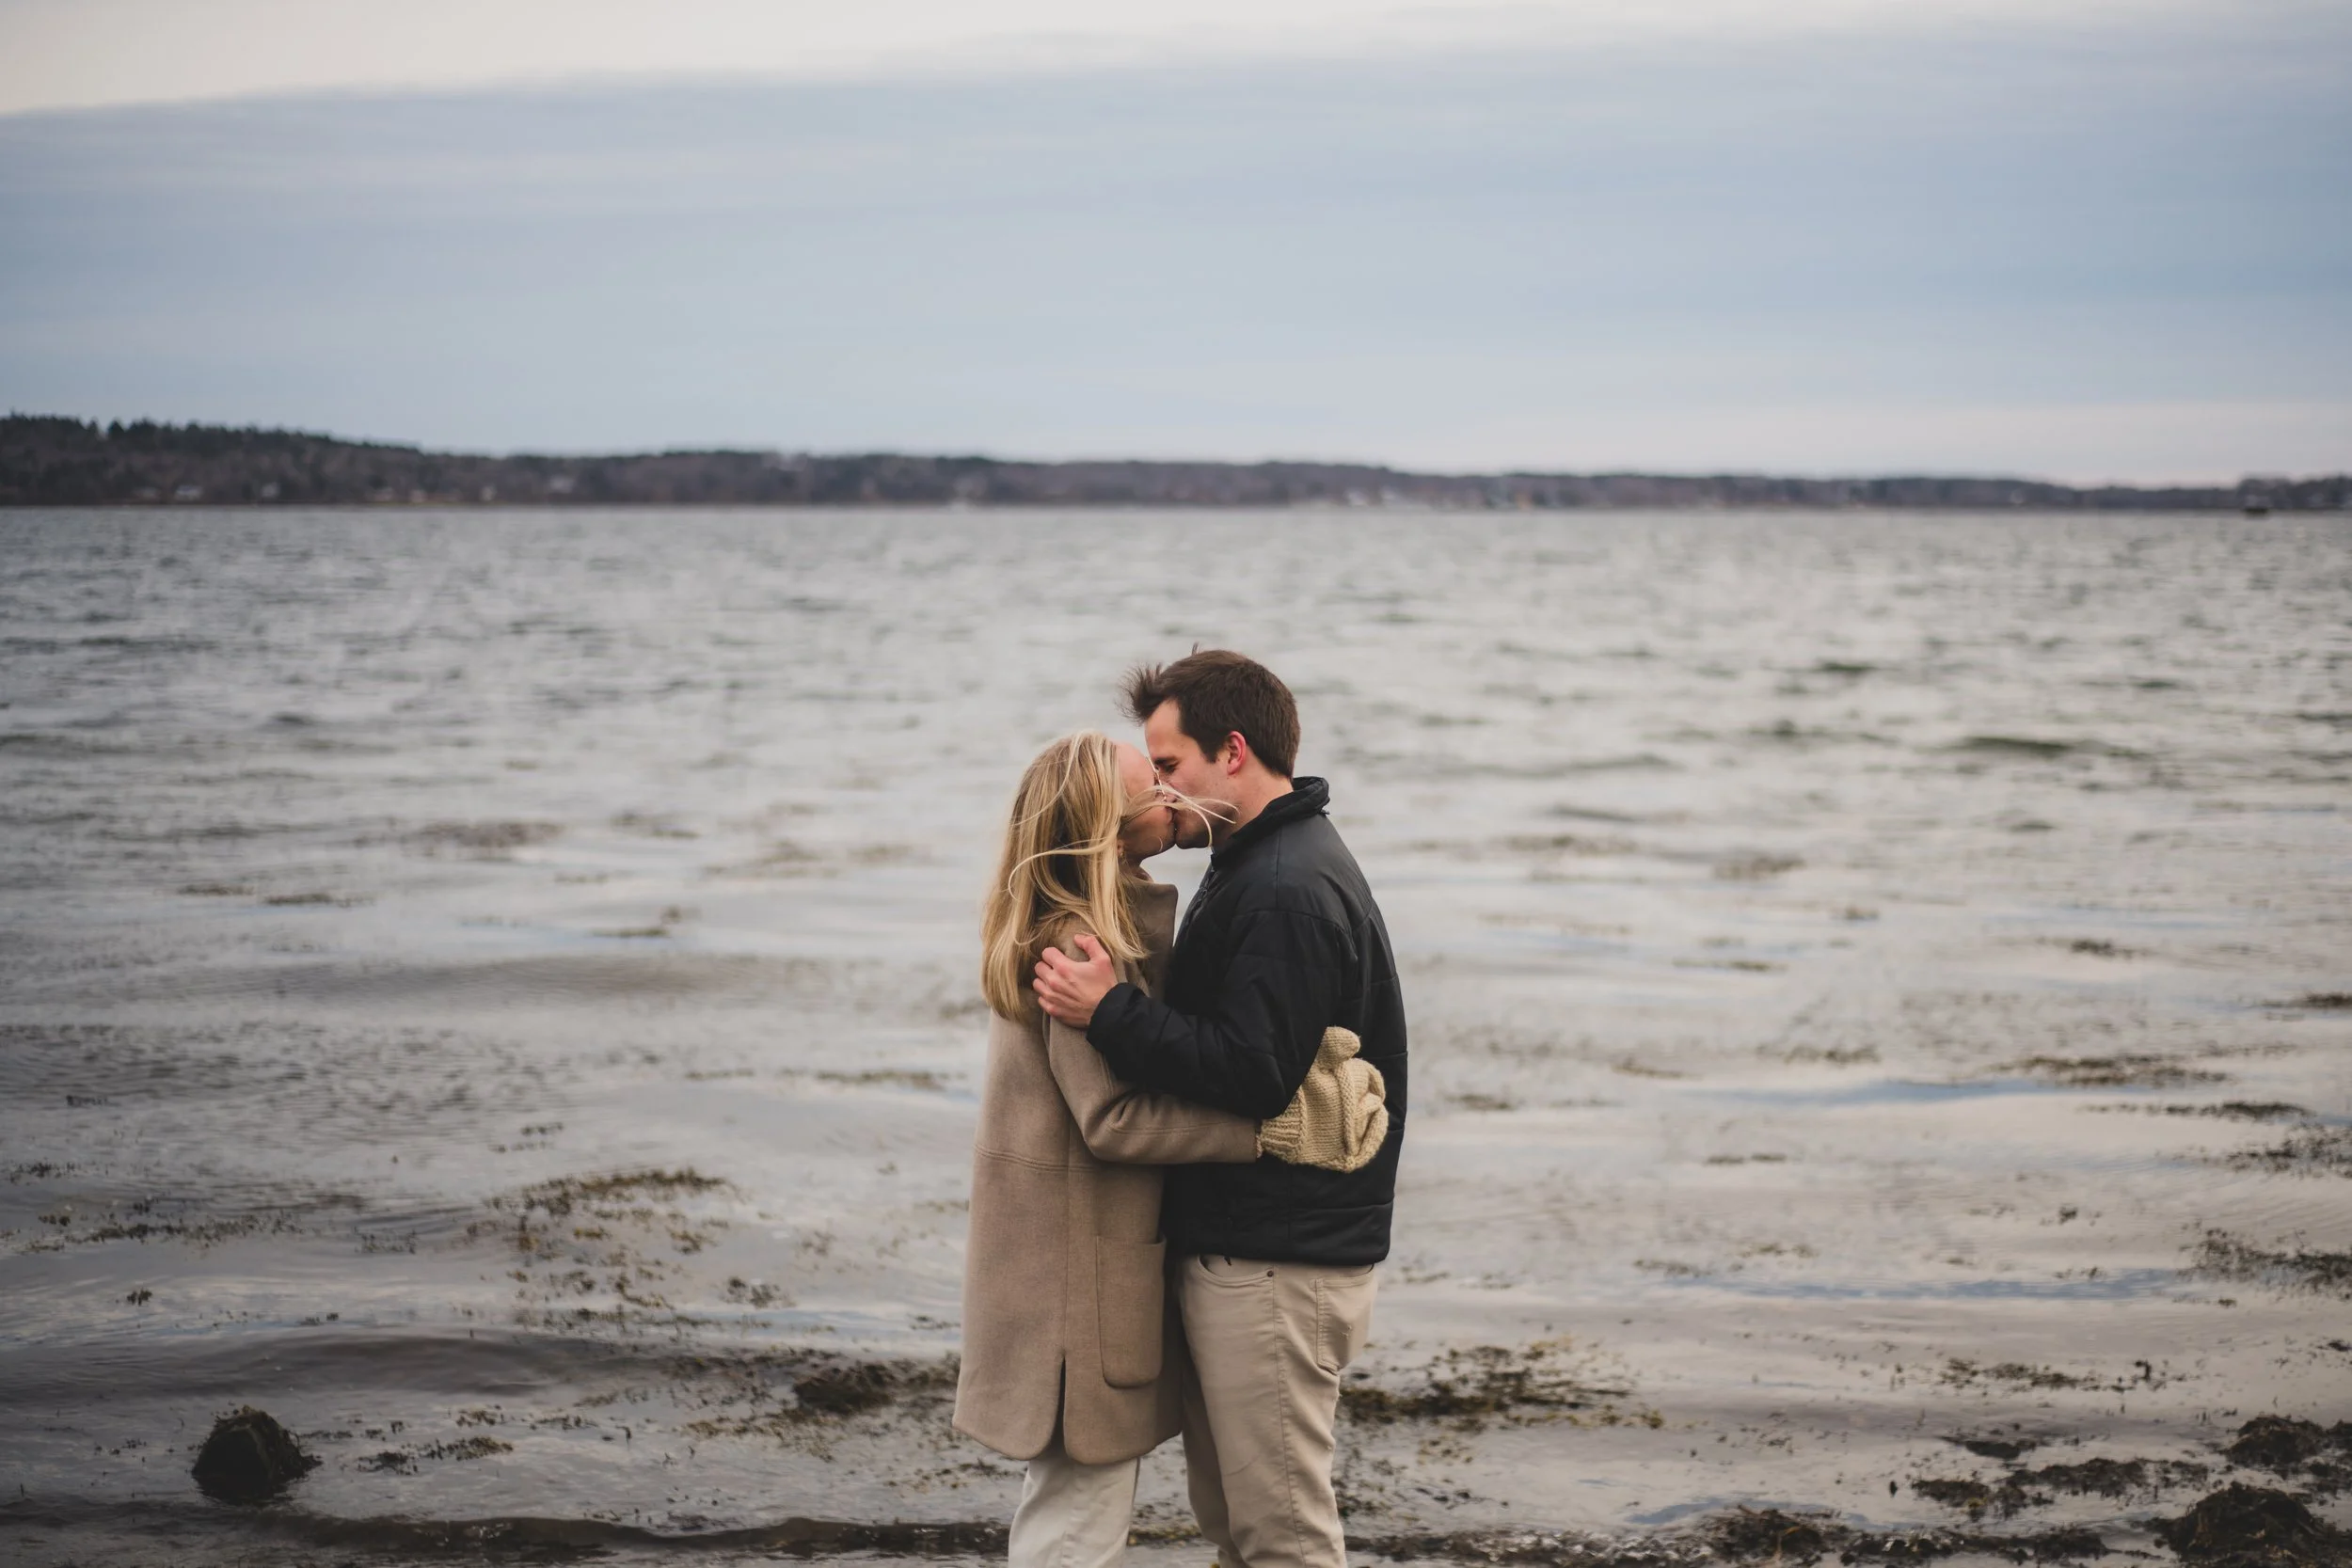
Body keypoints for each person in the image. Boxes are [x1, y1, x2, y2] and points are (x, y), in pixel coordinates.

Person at [955, 730, 1387, 1568]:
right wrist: (1268, 1129)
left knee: (1074, 1516)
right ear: (1109, 830)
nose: (1168, 794)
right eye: (1148, 786)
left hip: (1066, 1277)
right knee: (1075, 1530)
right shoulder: (1079, 944)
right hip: (1071, 1293)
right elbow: (1113, 1121)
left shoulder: (1086, 926)